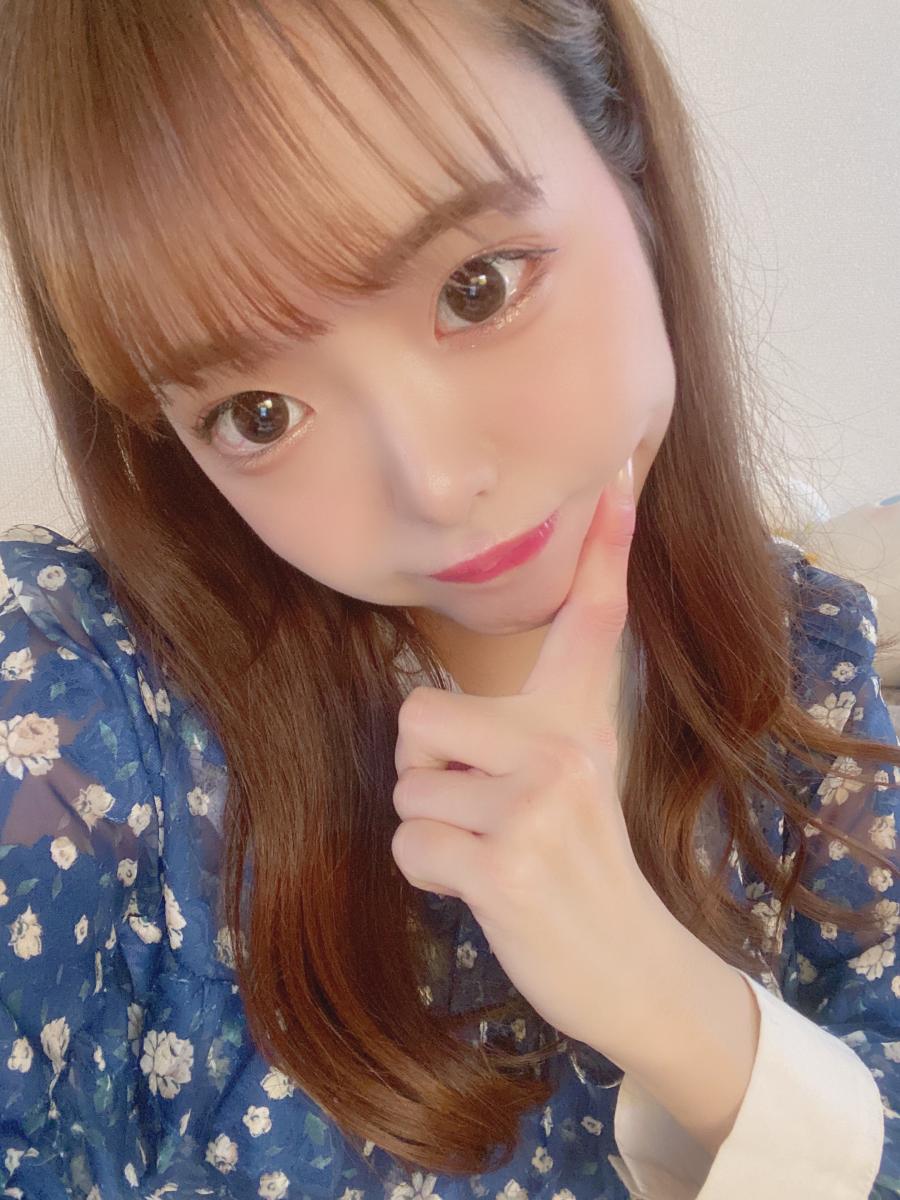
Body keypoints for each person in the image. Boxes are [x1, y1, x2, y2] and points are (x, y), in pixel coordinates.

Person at [0, 2, 898, 1196]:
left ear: (624, 158)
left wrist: (674, 1005)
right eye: (257, 415)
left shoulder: (809, 665)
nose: (431, 485)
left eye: (476, 288)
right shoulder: (75, 716)